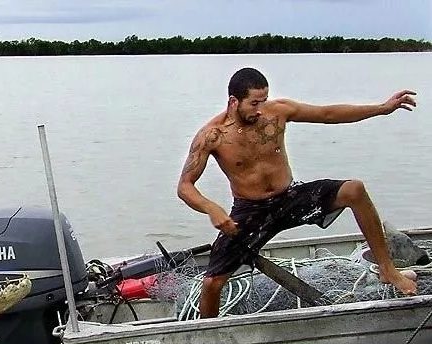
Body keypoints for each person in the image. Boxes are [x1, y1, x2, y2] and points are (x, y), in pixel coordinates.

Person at [177, 67, 418, 319]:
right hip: (250, 211)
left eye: (264, 100)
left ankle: (387, 269)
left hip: (289, 197)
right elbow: (185, 186)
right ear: (233, 101)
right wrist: (211, 208)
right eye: (254, 103)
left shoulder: (278, 112)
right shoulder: (212, 136)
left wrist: (382, 108)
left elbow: (327, 114)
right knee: (212, 284)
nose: (260, 109)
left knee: (354, 190)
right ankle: (209, 334)